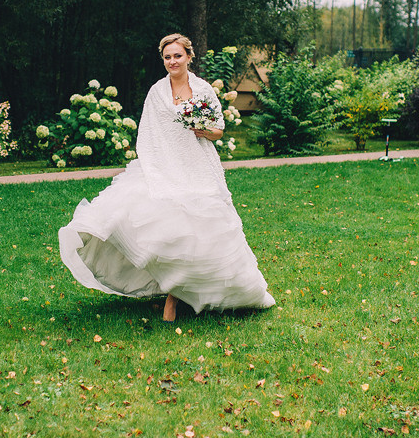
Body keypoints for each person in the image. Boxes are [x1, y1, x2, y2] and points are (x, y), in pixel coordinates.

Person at [59, 33, 275, 323]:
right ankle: (172, 292)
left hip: (197, 166)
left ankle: (183, 296)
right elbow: (147, 134)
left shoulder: (203, 90)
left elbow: (219, 130)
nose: (173, 61)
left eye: (177, 55)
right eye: (167, 57)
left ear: (189, 57)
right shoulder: (156, 92)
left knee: (200, 230)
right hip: (164, 166)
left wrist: (203, 130)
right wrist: (154, 169)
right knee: (164, 229)